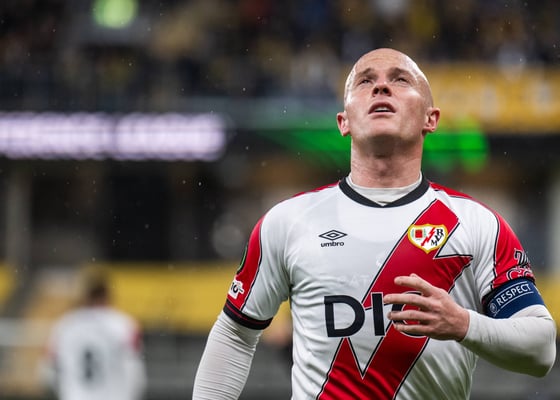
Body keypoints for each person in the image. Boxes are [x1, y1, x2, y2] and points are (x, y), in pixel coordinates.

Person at [192, 48, 557, 399]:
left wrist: (463, 324)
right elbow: (235, 335)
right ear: (344, 122)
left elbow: (541, 350)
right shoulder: (288, 222)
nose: (381, 86)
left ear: (431, 119)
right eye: (365, 81)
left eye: (400, 79)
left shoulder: (478, 224)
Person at [41, 272, 147, 400]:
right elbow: (134, 365)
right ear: (108, 297)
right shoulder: (123, 324)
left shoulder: (65, 325)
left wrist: (64, 390)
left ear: (86, 297)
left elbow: (49, 368)